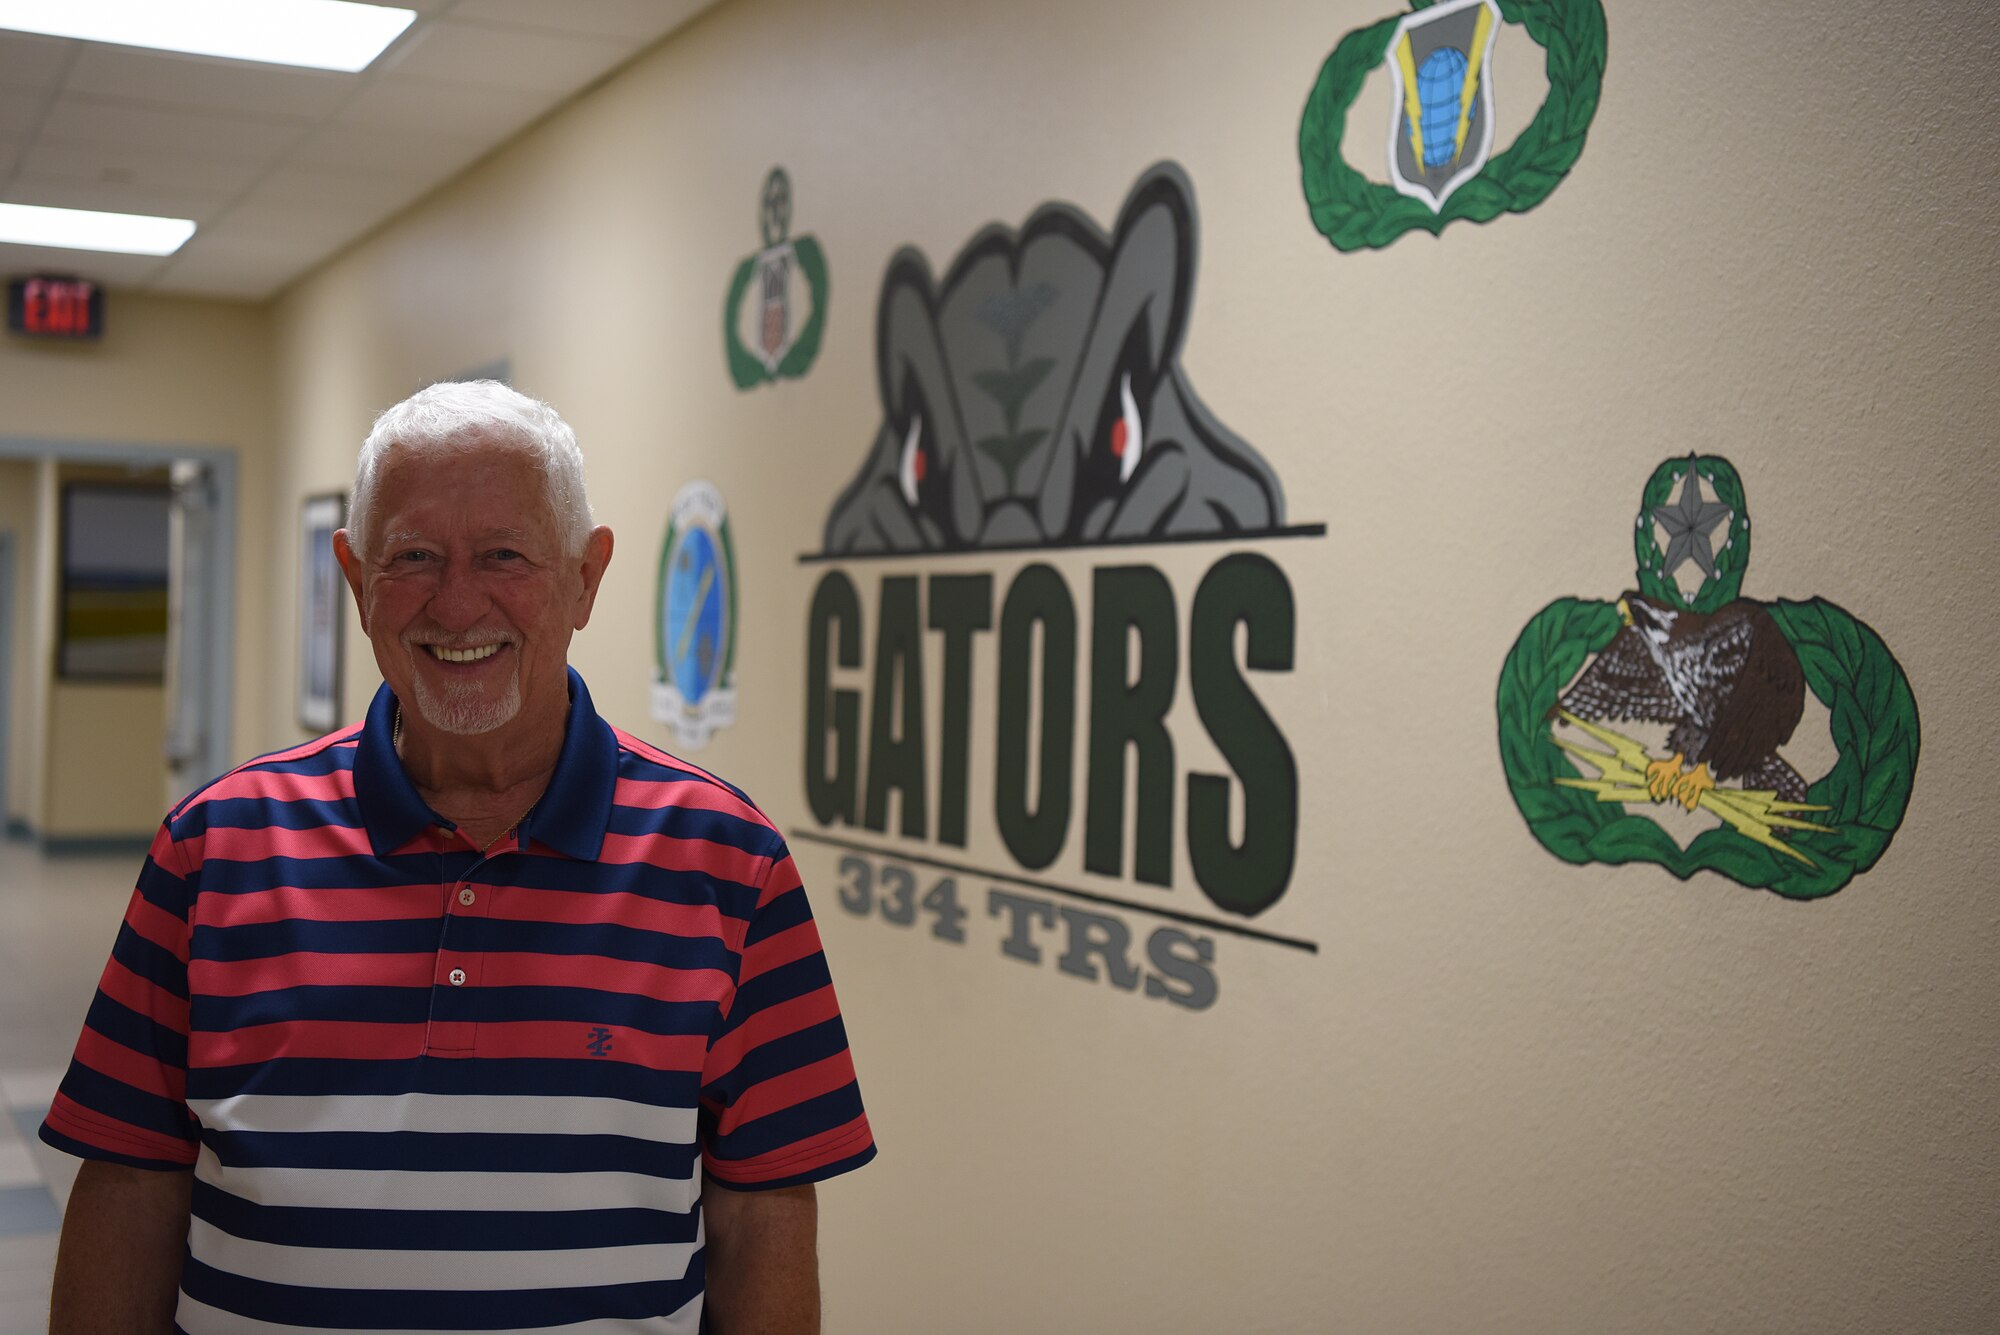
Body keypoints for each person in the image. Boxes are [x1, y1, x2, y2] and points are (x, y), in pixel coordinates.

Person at [41, 380, 875, 1334]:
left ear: (586, 578)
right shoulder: (212, 850)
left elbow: (762, 1214)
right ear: (356, 581)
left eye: (504, 555)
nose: (458, 601)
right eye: (415, 557)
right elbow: (128, 1186)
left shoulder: (731, 866)